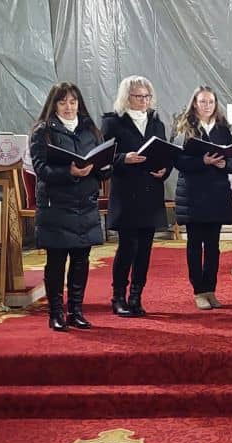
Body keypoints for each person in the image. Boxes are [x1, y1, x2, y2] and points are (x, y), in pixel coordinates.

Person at [28, 82, 110, 332]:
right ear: (54, 105)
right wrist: (70, 172)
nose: (68, 107)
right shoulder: (43, 131)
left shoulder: (90, 129)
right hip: (57, 205)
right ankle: (56, 313)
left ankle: (76, 311)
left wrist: (102, 167)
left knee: (81, 260)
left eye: (73, 102)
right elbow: (41, 169)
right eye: (62, 102)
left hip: (85, 204)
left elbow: (103, 165)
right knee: (56, 261)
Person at [102, 75, 171, 316]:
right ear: (126, 97)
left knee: (145, 250)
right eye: (138, 96)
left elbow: (165, 153)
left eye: (147, 96)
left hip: (151, 192)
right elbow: (103, 158)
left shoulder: (156, 123)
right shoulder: (113, 122)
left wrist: (165, 169)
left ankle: (136, 296)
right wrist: (124, 158)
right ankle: (118, 296)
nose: (144, 101)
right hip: (126, 193)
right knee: (127, 248)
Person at [174, 85, 232, 309]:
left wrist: (225, 164)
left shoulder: (222, 129)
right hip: (192, 194)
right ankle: (199, 291)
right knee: (195, 244)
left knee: (213, 246)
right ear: (194, 103)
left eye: (211, 102)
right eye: (203, 102)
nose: (207, 106)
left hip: (216, 194)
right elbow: (177, 160)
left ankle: (211, 290)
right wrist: (202, 161)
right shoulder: (184, 127)